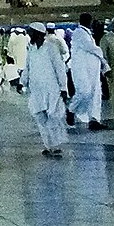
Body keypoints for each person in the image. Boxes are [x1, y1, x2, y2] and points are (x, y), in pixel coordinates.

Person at [24, 23, 71, 158]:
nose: (29, 35)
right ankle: (48, 145)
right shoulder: (31, 49)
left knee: (53, 117)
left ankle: (56, 146)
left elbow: (59, 68)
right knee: (40, 117)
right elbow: (27, 67)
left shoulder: (51, 48)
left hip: (52, 89)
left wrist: (63, 87)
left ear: (38, 33)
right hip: (36, 89)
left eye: (31, 32)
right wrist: (22, 82)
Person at [67, 14, 105, 131]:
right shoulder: (79, 33)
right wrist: (100, 52)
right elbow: (90, 47)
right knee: (84, 92)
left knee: (95, 93)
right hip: (81, 69)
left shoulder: (87, 33)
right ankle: (71, 111)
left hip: (92, 70)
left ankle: (94, 120)